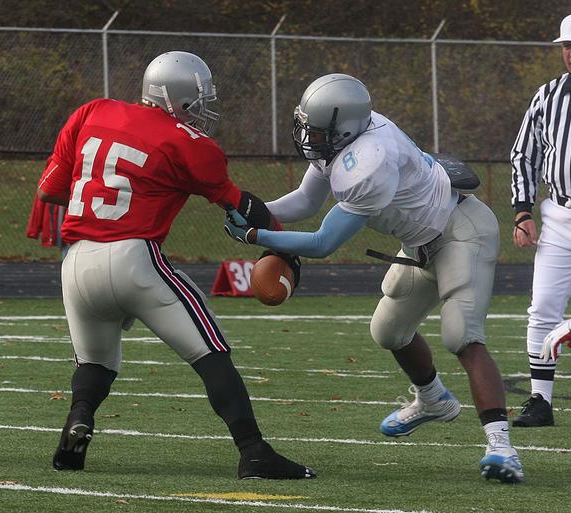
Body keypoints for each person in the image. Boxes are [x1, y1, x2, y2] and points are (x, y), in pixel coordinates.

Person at [224, 73, 523, 483]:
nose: (308, 136)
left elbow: (323, 241)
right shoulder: (343, 140)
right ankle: (433, 399)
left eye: (317, 130)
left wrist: (257, 234)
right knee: (388, 331)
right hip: (420, 242)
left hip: (460, 231)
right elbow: (306, 201)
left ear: (344, 128)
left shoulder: (370, 159)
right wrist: (250, 209)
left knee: (462, 336)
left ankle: (502, 447)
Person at [35, 50, 315, 480]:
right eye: (199, 101)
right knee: (210, 352)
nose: (203, 111)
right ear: (176, 98)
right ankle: (254, 451)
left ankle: (78, 424)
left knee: (94, 361)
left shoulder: (92, 111)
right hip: (133, 258)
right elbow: (240, 207)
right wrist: (285, 248)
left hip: (76, 263)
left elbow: (52, 189)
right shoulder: (188, 142)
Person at [510, 13, 571, 428]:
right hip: (560, 214)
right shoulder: (548, 95)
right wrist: (522, 210)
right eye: (568, 47)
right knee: (543, 310)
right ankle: (540, 401)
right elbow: (524, 153)